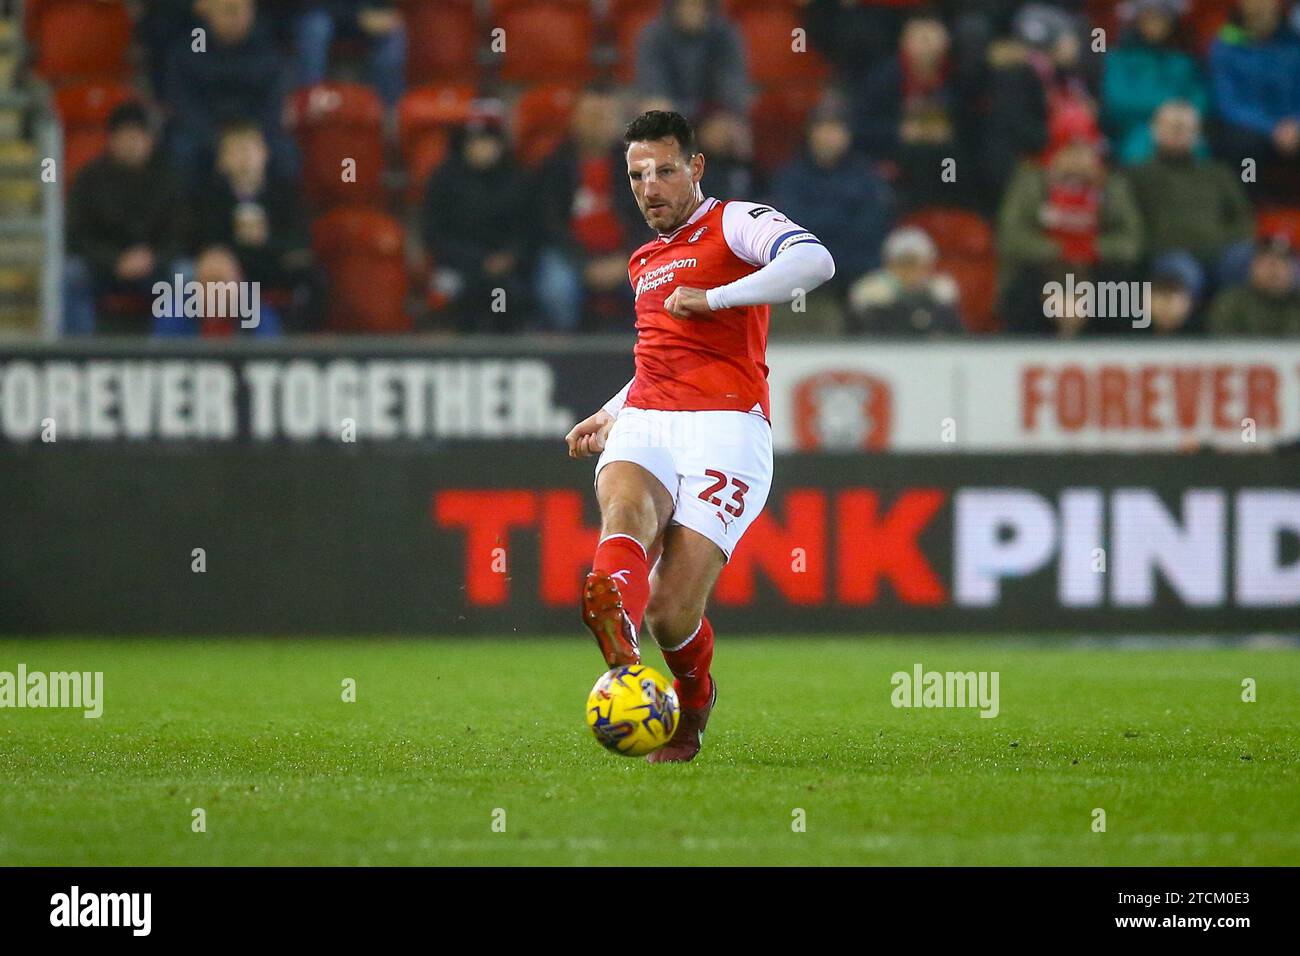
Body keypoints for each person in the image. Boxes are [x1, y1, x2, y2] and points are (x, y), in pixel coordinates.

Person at [563, 111, 835, 763]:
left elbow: (815, 261)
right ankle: (622, 647)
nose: (649, 186)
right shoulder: (641, 262)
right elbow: (659, 356)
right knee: (624, 511)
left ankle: (692, 694)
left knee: (673, 611)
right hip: (650, 417)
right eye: (636, 175)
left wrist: (717, 298)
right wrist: (611, 408)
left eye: (662, 170)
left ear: (696, 168)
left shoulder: (735, 222)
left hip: (727, 427)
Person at [64, 102, 185, 334]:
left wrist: (153, 258)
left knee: (185, 277)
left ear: (150, 140)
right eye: (125, 136)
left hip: (154, 266)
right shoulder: (89, 178)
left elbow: (180, 235)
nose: (132, 143)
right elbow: (77, 235)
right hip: (102, 266)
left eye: (138, 136)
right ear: (111, 140)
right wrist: (113, 260)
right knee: (71, 275)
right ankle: (78, 356)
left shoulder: (170, 178)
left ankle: (170, 358)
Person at [533, 87, 645, 332]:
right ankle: (565, 357)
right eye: (591, 115)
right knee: (556, 289)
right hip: (571, 256)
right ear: (575, 120)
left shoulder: (639, 166)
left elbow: (651, 221)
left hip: (626, 256)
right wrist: (584, 264)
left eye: (605, 116)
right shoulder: (555, 165)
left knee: (659, 284)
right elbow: (549, 224)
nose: (598, 124)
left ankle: (650, 355)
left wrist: (626, 258)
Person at [1126, 100, 1256, 304]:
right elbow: (1131, 223)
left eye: (1186, 128)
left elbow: (1242, 217)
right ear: (1154, 129)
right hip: (1168, 254)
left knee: (1247, 258)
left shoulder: (1218, 173)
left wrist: (1225, 240)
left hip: (1220, 252)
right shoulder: (1137, 175)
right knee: (1184, 273)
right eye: (1172, 126)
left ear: (1198, 135)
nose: (1179, 133)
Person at [421, 101, 534, 333]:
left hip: (507, 268)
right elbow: (433, 233)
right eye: (475, 142)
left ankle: (511, 345)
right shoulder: (444, 179)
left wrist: (509, 257)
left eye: (487, 142)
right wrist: (476, 261)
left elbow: (528, 228)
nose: (482, 148)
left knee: (509, 294)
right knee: (449, 292)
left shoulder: (516, 178)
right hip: (457, 266)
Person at [1208, 0, 1300, 203]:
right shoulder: (1226, 47)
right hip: (1251, 127)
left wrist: (1295, 123)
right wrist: (1272, 128)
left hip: (1292, 126)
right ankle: (1247, 201)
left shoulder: (1294, 45)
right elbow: (1229, 104)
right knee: (1244, 149)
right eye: (1256, 12)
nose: (1262, 16)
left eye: (1268, 10)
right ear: (1243, 12)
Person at [1100, 0, 1208, 165]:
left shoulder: (1183, 61)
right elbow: (1116, 102)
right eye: (1148, 18)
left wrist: (1183, 117)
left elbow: (1198, 97)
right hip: (1136, 131)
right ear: (1137, 22)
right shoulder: (1117, 59)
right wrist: (1166, 111)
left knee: (1199, 155)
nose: (1154, 25)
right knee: (1137, 153)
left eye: (1160, 18)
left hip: (1182, 129)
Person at [634, 0, 752, 118]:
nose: (692, 11)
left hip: (714, 118)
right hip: (672, 118)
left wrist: (724, 114)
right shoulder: (654, 36)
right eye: (686, 4)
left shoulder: (725, 34)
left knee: (729, 128)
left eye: (698, 5)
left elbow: (734, 86)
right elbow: (655, 92)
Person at [846, 226, 963, 336]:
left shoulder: (941, 303)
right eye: (903, 264)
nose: (910, 272)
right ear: (889, 265)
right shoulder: (871, 304)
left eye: (915, 264)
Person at [293, 1, 407, 108]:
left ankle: (390, 111)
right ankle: (309, 103)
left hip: (363, 15)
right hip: (324, 13)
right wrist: (358, 17)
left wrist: (384, 14)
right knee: (315, 28)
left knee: (393, 33)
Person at [1208, 236, 1300, 336]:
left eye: (1283, 262)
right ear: (1251, 267)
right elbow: (1221, 343)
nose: (1275, 270)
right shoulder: (1232, 303)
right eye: (1268, 262)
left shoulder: (1296, 303)